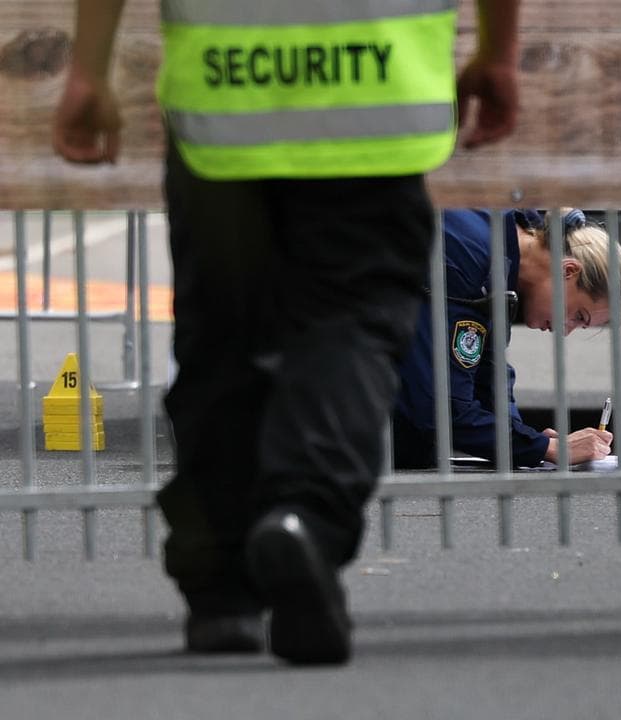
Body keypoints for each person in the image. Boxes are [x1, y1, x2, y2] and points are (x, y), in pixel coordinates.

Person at [53, 0, 522, 665]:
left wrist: (87, 70)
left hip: (225, 101)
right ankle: (304, 518)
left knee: (222, 337)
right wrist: (498, 53)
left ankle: (220, 591)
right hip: (374, 100)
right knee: (352, 324)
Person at [393, 208, 621, 469]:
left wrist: (527, 439)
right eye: (578, 316)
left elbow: (487, 374)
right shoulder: (472, 256)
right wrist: (545, 448)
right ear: (568, 270)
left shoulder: (500, 246)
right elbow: (441, 406)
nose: (565, 331)